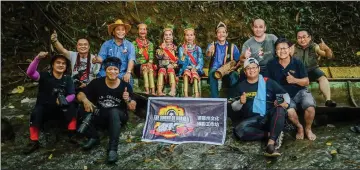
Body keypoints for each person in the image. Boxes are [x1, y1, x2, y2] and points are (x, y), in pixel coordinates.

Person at [77, 57, 136, 163]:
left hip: (118, 116)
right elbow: (80, 94)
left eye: (115, 69)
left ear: (119, 71)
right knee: (82, 106)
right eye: (110, 69)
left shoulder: (125, 86)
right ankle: (93, 137)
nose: (112, 71)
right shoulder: (97, 83)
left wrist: (128, 100)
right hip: (101, 114)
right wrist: (85, 100)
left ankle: (113, 149)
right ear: (105, 70)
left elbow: (132, 107)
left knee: (113, 112)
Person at [231, 58, 289, 156]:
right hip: (252, 120)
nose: (251, 70)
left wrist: (281, 102)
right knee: (239, 130)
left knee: (279, 109)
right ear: (245, 71)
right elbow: (233, 107)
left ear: (258, 69)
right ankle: (272, 135)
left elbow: (285, 95)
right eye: (248, 68)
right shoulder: (240, 86)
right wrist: (240, 102)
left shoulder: (268, 82)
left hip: (268, 117)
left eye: (254, 67)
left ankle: (271, 144)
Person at [24, 52, 77, 154]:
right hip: (45, 110)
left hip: (60, 110)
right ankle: (33, 141)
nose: (61, 65)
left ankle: (72, 135)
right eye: (58, 63)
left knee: (73, 106)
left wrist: (64, 100)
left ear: (66, 66)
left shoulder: (68, 79)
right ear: (53, 65)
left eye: (63, 63)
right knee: (36, 112)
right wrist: (37, 58)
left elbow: (72, 94)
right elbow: (30, 73)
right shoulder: (44, 76)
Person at [267, 38, 317, 141]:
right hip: (282, 94)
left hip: (300, 91)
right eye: (279, 49)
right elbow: (268, 83)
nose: (282, 51)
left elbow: (306, 81)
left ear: (289, 49)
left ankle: (308, 129)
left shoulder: (297, 62)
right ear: (276, 51)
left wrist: (294, 80)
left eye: (284, 48)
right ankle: (299, 127)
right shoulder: (271, 64)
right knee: (290, 111)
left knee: (310, 106)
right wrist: (274, 98)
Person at [291, 28, 336, 107]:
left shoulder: (315, 46)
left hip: (312, 69)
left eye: (304, 37)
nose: (302, 39)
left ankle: (328, 100)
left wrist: (326, 49)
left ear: (309, 37)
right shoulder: (293, 47)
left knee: (322, 78)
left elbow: (329, 56)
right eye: (299, 37)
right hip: (298, 71)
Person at [93, 19, 136, 86]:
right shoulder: (106, 44)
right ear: (113, 32)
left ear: (125, 32)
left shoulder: (130, 45)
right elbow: (101, 58)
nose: (121, 32)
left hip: (122, 73)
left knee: (129, 81)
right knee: (98, 82)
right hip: (106, 73)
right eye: (118, 29)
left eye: (123, 29)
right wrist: (97, 59)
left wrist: (128, 72)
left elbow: (131, 59)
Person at [205, 21, 240, 98]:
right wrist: (209, 51)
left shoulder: (233, 47)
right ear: (216, 34)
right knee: (212, 74)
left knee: (234, 75)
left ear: (226, 34)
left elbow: (238, 60)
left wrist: (235, 67)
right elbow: (207, 57)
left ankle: (232, 98)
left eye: (223, 32)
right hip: (215, 69)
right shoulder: (212, 45)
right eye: (219, 32)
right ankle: (215, 99)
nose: (221, 34)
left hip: (228, 69)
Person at [178, 27, 204, 97]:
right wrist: (184, 55)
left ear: (194, 36)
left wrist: (196, 68)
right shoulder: (181, 48)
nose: (189, 37)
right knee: (186, 74)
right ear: (184, 36)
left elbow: (201, 61)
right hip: (185, 68)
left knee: (195, 75)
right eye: (187, 35)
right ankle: (185, 94)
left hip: (195, 69)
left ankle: (197, 94)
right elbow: (180, 63)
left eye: (191, 35)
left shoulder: (198, 49)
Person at [132, 23, 156, 95]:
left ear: (146, 31)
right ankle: (147, 90)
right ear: (138, 31)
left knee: (151, 70)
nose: (143, 31)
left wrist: (150, 62)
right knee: (145, 70)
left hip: (148, 64)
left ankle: (153, 90)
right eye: (141, 29)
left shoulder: (150, 44)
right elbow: (135, 55)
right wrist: (142, 48)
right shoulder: (134, 43)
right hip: (138, 65)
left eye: (144, 29)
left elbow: (151, 54)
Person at [156, 25, 178, 96]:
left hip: (172, 68)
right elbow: (158, 58)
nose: (168, 36)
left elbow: (178, 61)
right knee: (162, 70)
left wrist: (173, 65)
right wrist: (162, 49)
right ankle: (159, 91)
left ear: (172, 36)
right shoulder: (159, 47)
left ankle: (173, 90)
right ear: (163, 37)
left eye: (169, 35)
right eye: (166, 35)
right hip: (162, 67)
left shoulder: (176, 48)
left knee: (171, 70)